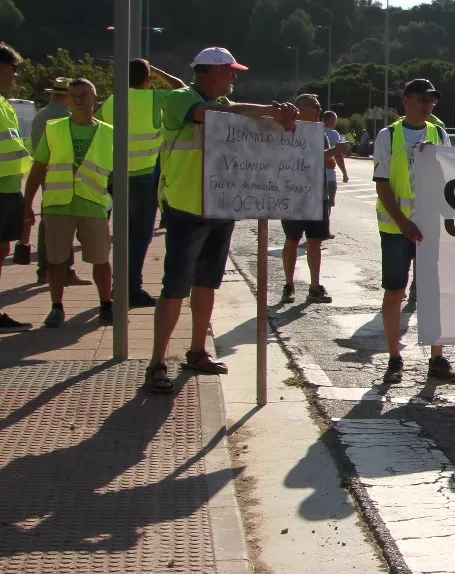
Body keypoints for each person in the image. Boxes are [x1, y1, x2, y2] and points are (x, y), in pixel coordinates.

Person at [146, 48, 300, 393]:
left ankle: (197, 351)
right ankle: (157, 361)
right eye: (230, 72)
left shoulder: (224, 106)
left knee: (207, 284)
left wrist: (276, 114)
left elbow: (234, 111)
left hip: (220, 206)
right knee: (175, 287)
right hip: (186, 208)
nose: (234, 77)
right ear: (211, 71)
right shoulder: (178, 99)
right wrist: (267, 111)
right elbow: (216, 114)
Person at [375, 79, 455, 385]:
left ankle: (437, 358)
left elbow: (450, 175)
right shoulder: (389, 135)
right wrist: (402, 222)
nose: (428, 106)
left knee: (434, 293)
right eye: (423, 100)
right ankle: (394, 358)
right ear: (407, 100)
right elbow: (382, 183)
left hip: (430, 227)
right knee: (395, 291)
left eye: (432, 101)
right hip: (398, 228)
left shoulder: (438, 134)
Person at [21, 78, 113, 329]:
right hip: (58, 205)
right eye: (74, 96)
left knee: (101, 259)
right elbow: (38, 168)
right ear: (68, 101)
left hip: (92, 204)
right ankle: (56, 307)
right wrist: (27, 203)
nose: (80, 100)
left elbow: (116, 175)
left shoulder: (109, 133)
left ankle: (106, 305)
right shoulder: (55, 128)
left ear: (95, 98)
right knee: (56, 260)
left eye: (85, 94)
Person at [98, 57, 183, 307]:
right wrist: (158, 71)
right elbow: (182, 90)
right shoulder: (153, 97)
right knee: (141, 235)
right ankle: (131, 288)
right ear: (147, 78)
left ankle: (120, 284)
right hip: (145, 177)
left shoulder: (111, 101)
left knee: (123, 235)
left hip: (117, 177)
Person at [280, 95, 334, 306]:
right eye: (316, 106)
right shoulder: (284, 128)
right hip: (292, 193)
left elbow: (328, 164)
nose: (320, 110)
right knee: (292, 240)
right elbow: (291, 159)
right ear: (301, 108)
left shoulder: (319, 132)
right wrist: (330, 153)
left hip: (317, 194)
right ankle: (288, 284)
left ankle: (314, 286)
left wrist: (328, 155)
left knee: (315, 242)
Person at [28, 78, 83, 285]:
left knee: (48, 222)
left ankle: (45, 269)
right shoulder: (67, 118)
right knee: (64, 225)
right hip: (63, 178)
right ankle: (63, 270)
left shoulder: (40, 115)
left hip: (45, 174)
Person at [0, 44, 33, 331]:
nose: (15, 73)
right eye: (13, 67)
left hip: (10, 188)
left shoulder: (5, 104)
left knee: (3, 248)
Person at [321, 109, 349, 240]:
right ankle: (324, 230)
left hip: (314, 174)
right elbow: (338, 155)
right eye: (333, 120)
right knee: (327, 203)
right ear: (328, 120)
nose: (334, 123)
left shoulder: (314, 131)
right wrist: (344, 172)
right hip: (329, 175)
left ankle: (315, 230)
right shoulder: (333, 134)